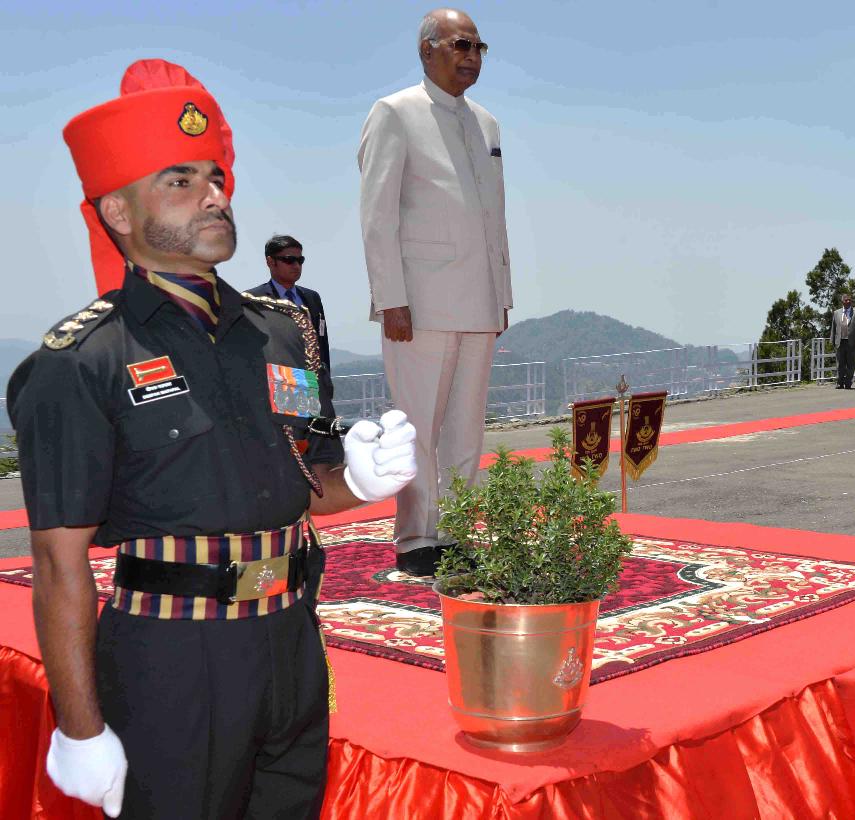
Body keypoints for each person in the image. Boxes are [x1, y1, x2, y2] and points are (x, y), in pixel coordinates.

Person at [7, 60, 418, 818]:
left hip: (291, 641)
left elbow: (306, 479)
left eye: (216, 177)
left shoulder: (279, 334)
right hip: (171, 659)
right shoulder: (82, 361)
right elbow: (60, 562)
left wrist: (359, 481)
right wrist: (79, 727)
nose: (214, 195)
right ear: (118, 211)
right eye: (180, 181)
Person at [358, 7, 512, 575]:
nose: (471, 56)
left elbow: (494, 218)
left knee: (466, 429)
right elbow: (378, 215)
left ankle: (456, 530)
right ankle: (417, 538)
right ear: (427, 50)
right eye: (460, 45)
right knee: (417, 426)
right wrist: (390, 298)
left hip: (480, 301)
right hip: (418, 302)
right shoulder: (395, 113)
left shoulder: (486, 123)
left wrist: (501, 294)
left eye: (478, 47)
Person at [248, 234, 331, 370]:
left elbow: (322, 343)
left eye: (300, 260)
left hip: (311, 379)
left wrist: (325, 378)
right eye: (289, 260)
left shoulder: (312, 298)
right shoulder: (253, 301)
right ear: (270, 262)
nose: (296, 266)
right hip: (275, 379)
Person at [831, 293, 855, 388]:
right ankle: (839, 382)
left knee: (850, 364)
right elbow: (833, 327)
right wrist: (832, 340)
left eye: (849, 300)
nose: (848, 301)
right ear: (842, 302)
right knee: (840, 364)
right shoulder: (836, 313)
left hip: (852, 342)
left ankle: (848, 382)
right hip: (840, 342)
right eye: (846, 300)